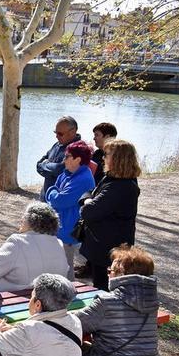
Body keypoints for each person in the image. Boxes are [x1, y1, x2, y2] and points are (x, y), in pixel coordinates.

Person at [74, 245, 161, 356]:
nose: (109, 273)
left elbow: (72, 325)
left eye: (111, 270)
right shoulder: (152, 303)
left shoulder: (106, 303)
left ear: (121, 275)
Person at [78, 139, 141, 290]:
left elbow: (89, 211)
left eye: (107, 154)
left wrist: (86, 200)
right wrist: (89, 198)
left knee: (104, 287)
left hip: (109, 249)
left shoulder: (120, 186)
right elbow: (92, 195)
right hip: (104, 245)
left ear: (118, 159)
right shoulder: (113, 178)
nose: (103, 158)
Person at [0, 203, 70, 293]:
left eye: (24, 216)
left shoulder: (18, 242)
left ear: (32, 220)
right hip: (52, 297)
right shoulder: (58, 243)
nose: (21, 219)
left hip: (18, 301)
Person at [45, 140, 95, 278]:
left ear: (77, 159)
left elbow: (59, 200)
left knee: (65, 268)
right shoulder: (67, 173)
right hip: (60, 227)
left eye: (67, 156)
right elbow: (55, 194)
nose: (63, 159)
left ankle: (70, 296)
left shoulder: (83, 179)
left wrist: (51, 192)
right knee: (55, 265)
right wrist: (53, 193)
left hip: (68, 231)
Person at [36, 115, 81, 201]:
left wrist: (46, 165)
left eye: (60, 133)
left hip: (59, 202)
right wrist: (51, 169)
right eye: (55, 132)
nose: (56, 136)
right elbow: (39, 165)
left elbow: (61, 169)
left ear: (72, 132)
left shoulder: (78, 149)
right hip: (45, 198)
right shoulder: (57, 145)